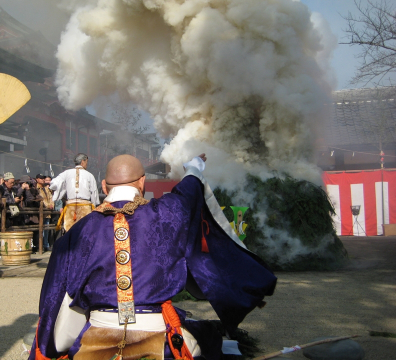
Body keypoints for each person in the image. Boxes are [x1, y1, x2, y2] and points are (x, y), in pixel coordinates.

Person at [31, 154, 277, 359]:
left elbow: (53, 293)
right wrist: (193, 168)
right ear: (142, 183)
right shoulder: (167, 213)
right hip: (159, 336)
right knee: (210, 338)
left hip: (96, 335)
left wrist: (45, 346)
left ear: (104, 187)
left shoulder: (77, 232)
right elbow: (189, 191)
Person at [51, 153, 100, 232]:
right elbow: (94, 193)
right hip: (85, 207)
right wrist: (94, 206)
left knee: (70, 230)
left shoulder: (66, 173)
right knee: (84, 230)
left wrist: (57, 193)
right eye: (86, 162)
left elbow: (54, 183)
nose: (86, 165)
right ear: (82, 162)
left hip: (71, 206)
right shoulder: (89, 175)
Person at [36, 174, 54, 251]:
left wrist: (51, 205)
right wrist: (47, 206)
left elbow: (50, 197)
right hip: (41, 212)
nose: (43, 180)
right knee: (40, 229)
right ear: (37, 179)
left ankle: (46, 244)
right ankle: (40, 245)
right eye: (41, 178)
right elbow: (41, 199)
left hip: (48, 213)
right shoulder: (36, 188)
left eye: (43, 178)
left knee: (46, 229)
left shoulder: (46, 189)